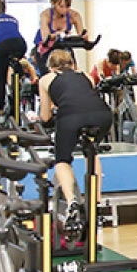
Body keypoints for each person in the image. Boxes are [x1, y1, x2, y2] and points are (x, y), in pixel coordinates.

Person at [37, 49, 113, 233]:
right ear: (72, 64)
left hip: (71, 116)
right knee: (92, 152)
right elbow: (84, 97)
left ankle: (72, 203)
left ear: (51, 67)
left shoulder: (46, 79)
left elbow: (45, 116)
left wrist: (52, 110)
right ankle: (96, 202)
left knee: (62, 160)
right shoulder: (86, 76)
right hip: (103, 114)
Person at [32, 0, 86, 77]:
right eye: (61, 6)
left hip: (63, 45)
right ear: (54, 3)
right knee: (48, 76)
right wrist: (60, 34)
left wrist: (84, 37)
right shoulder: (46, 15)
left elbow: (82, 35)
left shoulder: (74, 15)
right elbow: (46, 38)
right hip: (45, 48)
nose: (64, 10)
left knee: (73, 72)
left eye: (67, 6)